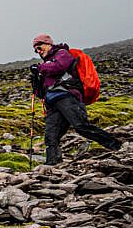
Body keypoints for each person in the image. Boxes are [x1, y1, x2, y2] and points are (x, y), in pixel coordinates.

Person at [30, 34, 120, 165]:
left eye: (39, 47)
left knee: (81, 126)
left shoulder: (61, 53)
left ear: (48, 44)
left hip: (67, 97)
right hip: (52, 102)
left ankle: (116, 145)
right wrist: (36, 79)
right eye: (36, 50)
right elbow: (40, 93)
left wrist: (40, 68)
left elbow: (60, 67)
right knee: (51, 135)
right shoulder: (45, 65)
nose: (38, 51)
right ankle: (52, 163)